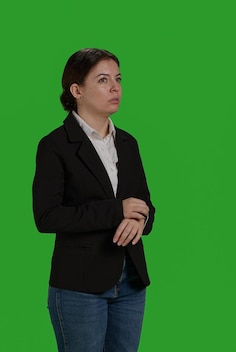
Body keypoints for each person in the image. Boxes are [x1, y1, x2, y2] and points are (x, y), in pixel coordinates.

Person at [32, 48, 155, 352]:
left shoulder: (128, 143)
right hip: (80, 286)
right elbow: (46, 217)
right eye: (103, 80)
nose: (115, 88)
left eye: (118, 79)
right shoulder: (55, 145)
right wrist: (117, 210)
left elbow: (145, 206)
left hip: (131, 281)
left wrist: (140, 218)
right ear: (77, 91)